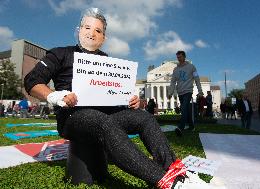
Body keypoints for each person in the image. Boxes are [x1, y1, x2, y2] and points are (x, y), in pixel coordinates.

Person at [24, 8, 216, 189]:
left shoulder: (108, 60)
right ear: (79, 30)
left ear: (103, 38)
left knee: (144, 118)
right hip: (73, 117)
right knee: (100, 121)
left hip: (106, 115)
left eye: (98, 30)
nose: (91, 33)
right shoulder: (60, 53)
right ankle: (168, 182)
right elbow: (32, 81)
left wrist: (130, 99)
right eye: (87, 27)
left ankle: (175, 170)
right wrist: (54, 95)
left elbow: (114, 92)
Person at [168, 51, 203, 136]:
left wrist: (200, 91)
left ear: (184, 57)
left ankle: (181, 127)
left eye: (180, 57)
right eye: (177, 57)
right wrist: (170, 92)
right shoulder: (175, 70)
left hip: (188, 91)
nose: (178, 59)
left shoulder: (191, 67)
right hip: (180, 92)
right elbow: (173, 82)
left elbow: (197, 79)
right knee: (186, 110)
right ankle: (191, 126)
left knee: (183, 108)